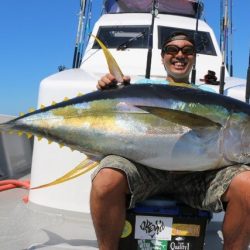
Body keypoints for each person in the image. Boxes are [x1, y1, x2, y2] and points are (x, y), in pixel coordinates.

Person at [90, 31, 250, 250]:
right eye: (172, 50)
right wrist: (108, 88)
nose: (180, 55)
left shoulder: (207, 94)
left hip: (196, 176)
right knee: (106, 179)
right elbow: (113, 118)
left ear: (194, 57)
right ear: (163, 56)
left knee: (248, 185)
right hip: (146, 168)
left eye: (188, 50)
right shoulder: (140, 87)